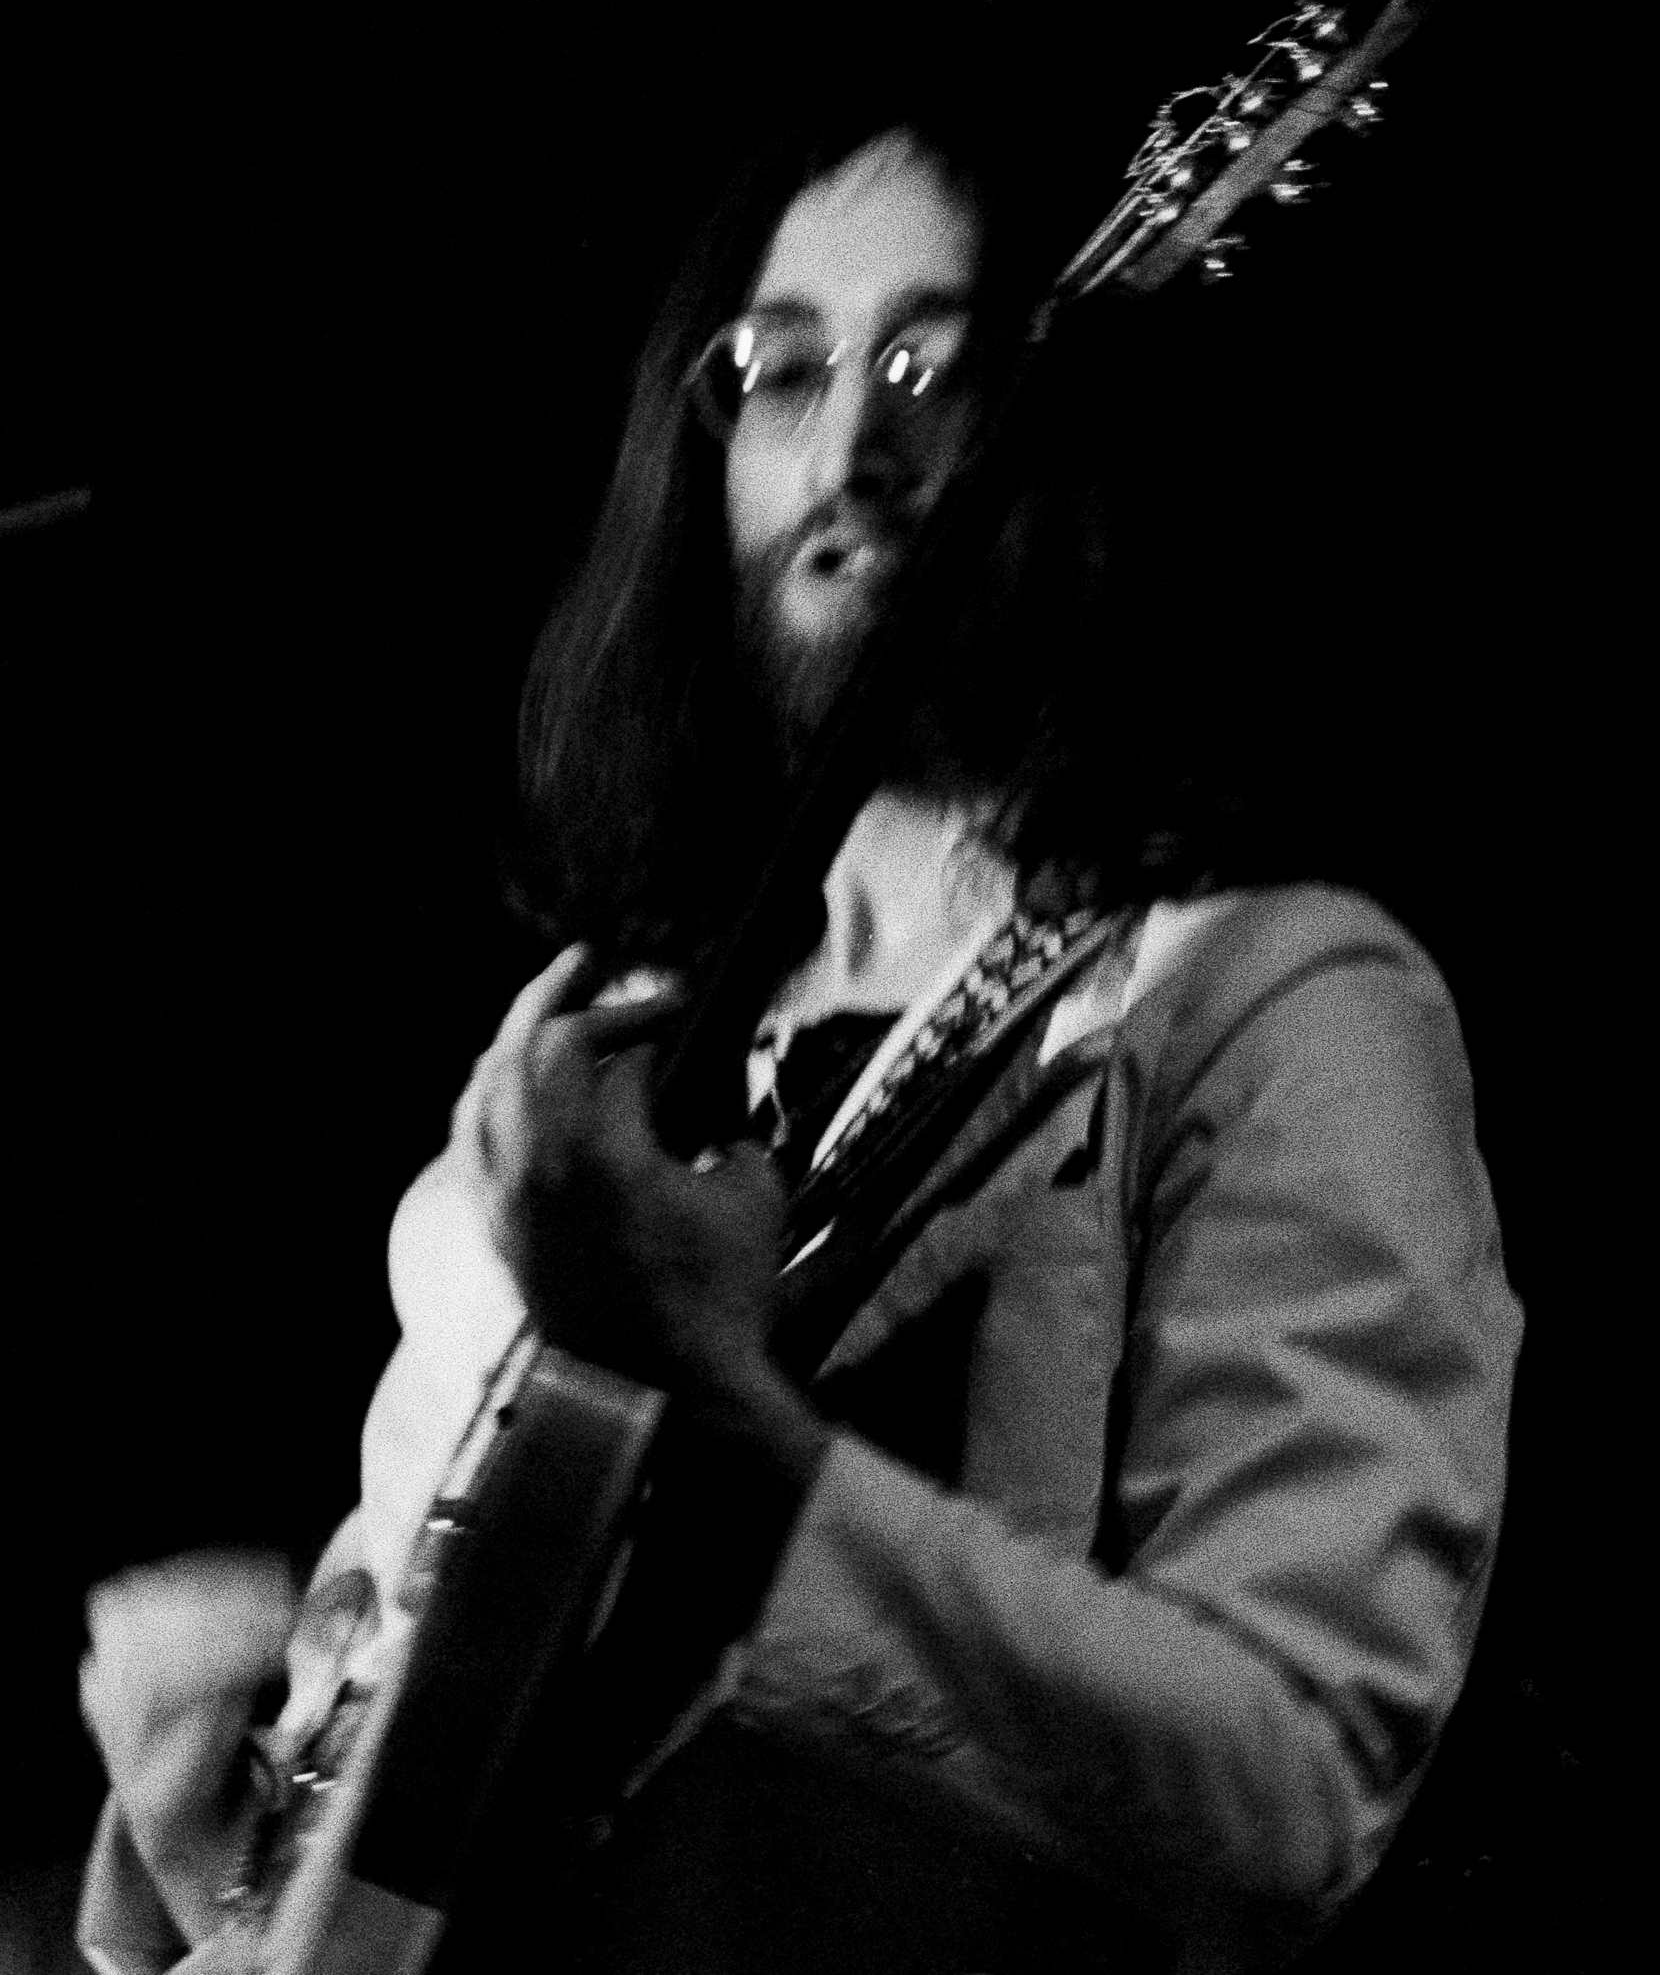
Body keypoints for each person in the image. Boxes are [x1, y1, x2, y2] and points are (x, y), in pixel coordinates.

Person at [75, 106, 1520, 1972]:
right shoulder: (602, 1057)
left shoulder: (1275, 1010)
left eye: (936, 362)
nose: (856, 445)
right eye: (783, 369)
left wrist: (738, 1420)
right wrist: (206, 1829)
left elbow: (1291, 1784)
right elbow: (400, 1840)